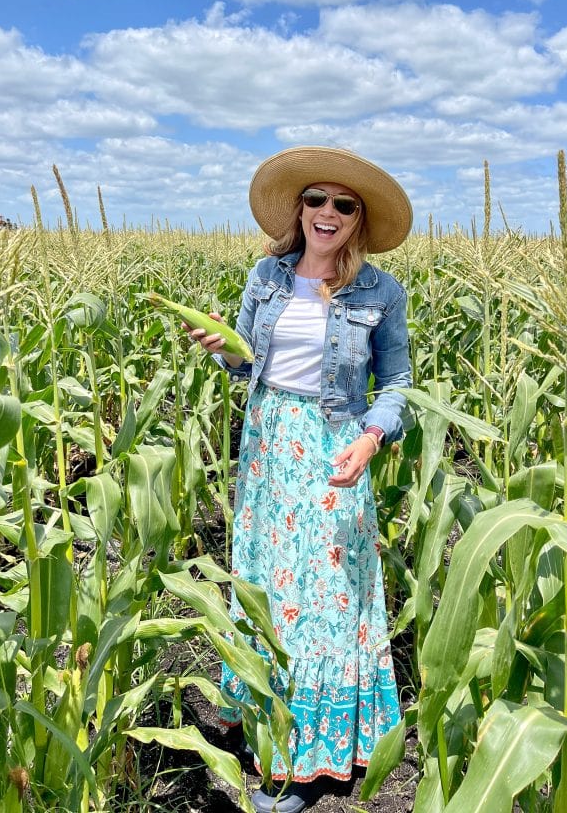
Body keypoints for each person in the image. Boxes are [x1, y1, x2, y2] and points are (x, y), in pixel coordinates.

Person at [186, 145, 413, 813]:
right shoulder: (268, 276)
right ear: (300, 209)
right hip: (267, 445)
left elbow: (396, 381)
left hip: (334, 446)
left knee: (324, 594)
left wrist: (373, 437)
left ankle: (305, 762)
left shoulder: (380, 292)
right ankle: (261, 728)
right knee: (266, 586)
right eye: (317, 199)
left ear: (358, 220)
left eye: (344, 204)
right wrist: (219, 347)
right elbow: (246, 361)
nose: (328, 212)